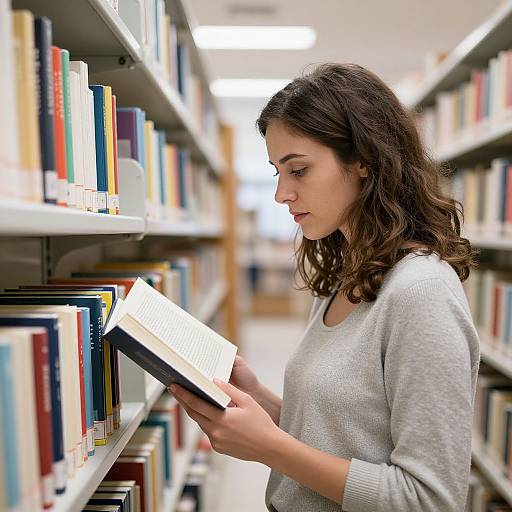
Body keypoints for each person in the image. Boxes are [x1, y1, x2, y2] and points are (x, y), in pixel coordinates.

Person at [169, 63, 480, 512]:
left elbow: (429, 499)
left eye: (299, 170)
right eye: (277, 172)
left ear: (363, 162)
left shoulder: (420, 291)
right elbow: (345, 439)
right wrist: (262, 403)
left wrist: (271, 448)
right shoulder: (349, 272)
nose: (281, 194)